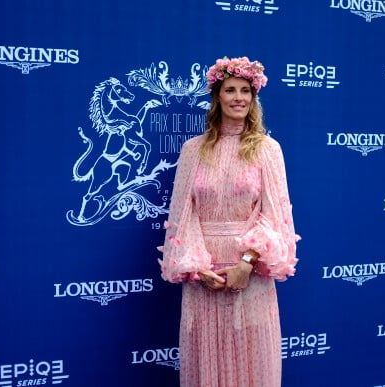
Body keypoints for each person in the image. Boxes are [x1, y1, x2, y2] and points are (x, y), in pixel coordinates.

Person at [158, 56, 300, 387]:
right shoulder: (193, 150)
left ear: (253, 97)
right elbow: (181, 215)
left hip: (249, 273)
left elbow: (276, 216)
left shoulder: (268, 149)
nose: (238, 97)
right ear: (217, 96)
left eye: (246, 91)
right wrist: (196, 267)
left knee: (252, 361)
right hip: (205, 275)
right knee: (208, 360)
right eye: (230, 90)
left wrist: (246, 264)